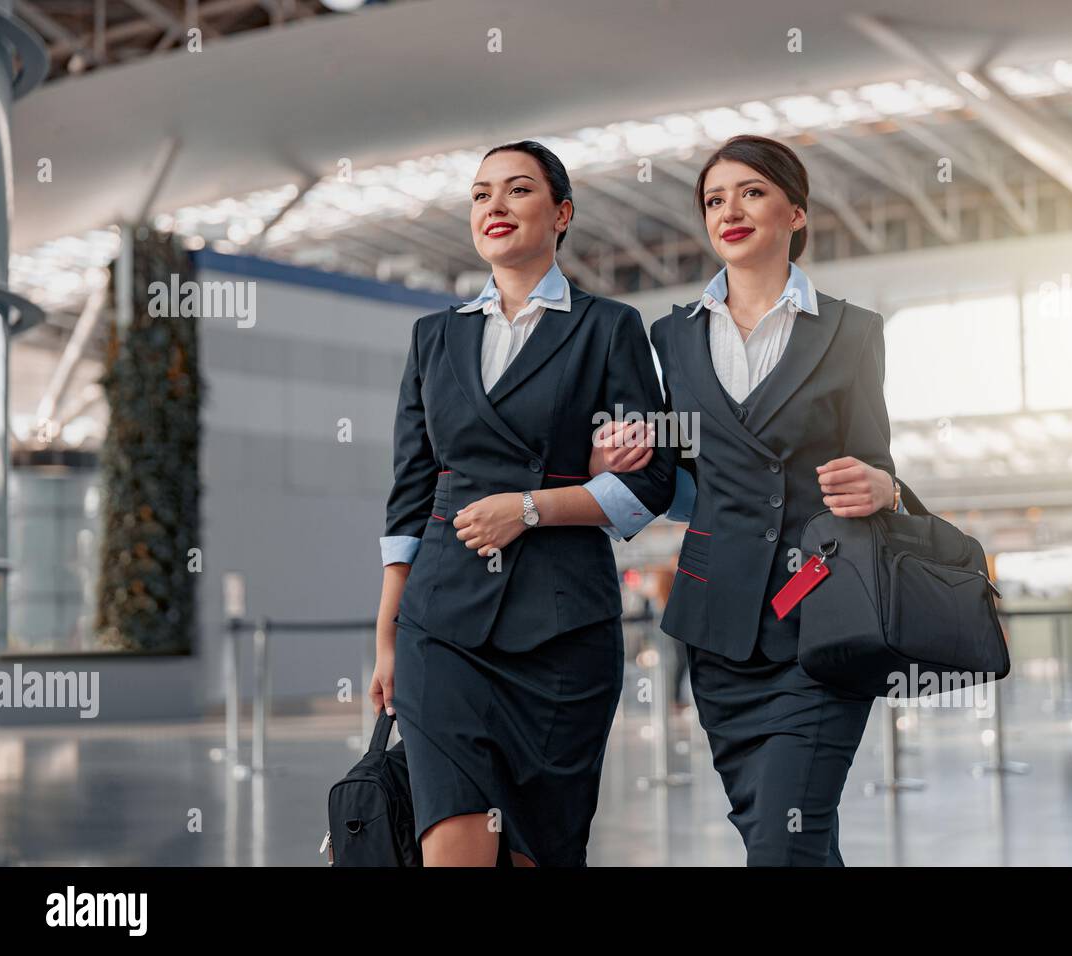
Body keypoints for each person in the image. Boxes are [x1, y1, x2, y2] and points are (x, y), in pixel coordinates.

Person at [592, 134, 926, 865]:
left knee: (783, 839)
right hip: (719, 629)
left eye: (750, 192)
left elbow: (875, 463)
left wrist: (883, 487)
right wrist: (623, 453)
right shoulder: (672, 337)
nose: (729, 210)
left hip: (822, 620)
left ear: (796, 213)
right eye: (715, 199)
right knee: (781, 835)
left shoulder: (850, 331)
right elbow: (681, 485)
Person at [369, 141, 675, 866]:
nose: (494, 207)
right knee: (453, 844)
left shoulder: (608, 328)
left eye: (516, 190)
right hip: (442, 628)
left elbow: (650, 481)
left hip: (562, 628)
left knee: (542, 848)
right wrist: (386, 636)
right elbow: (410, 493)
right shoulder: (434, 337)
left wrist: (530, 507)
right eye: (480, 195)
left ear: (561, 213)